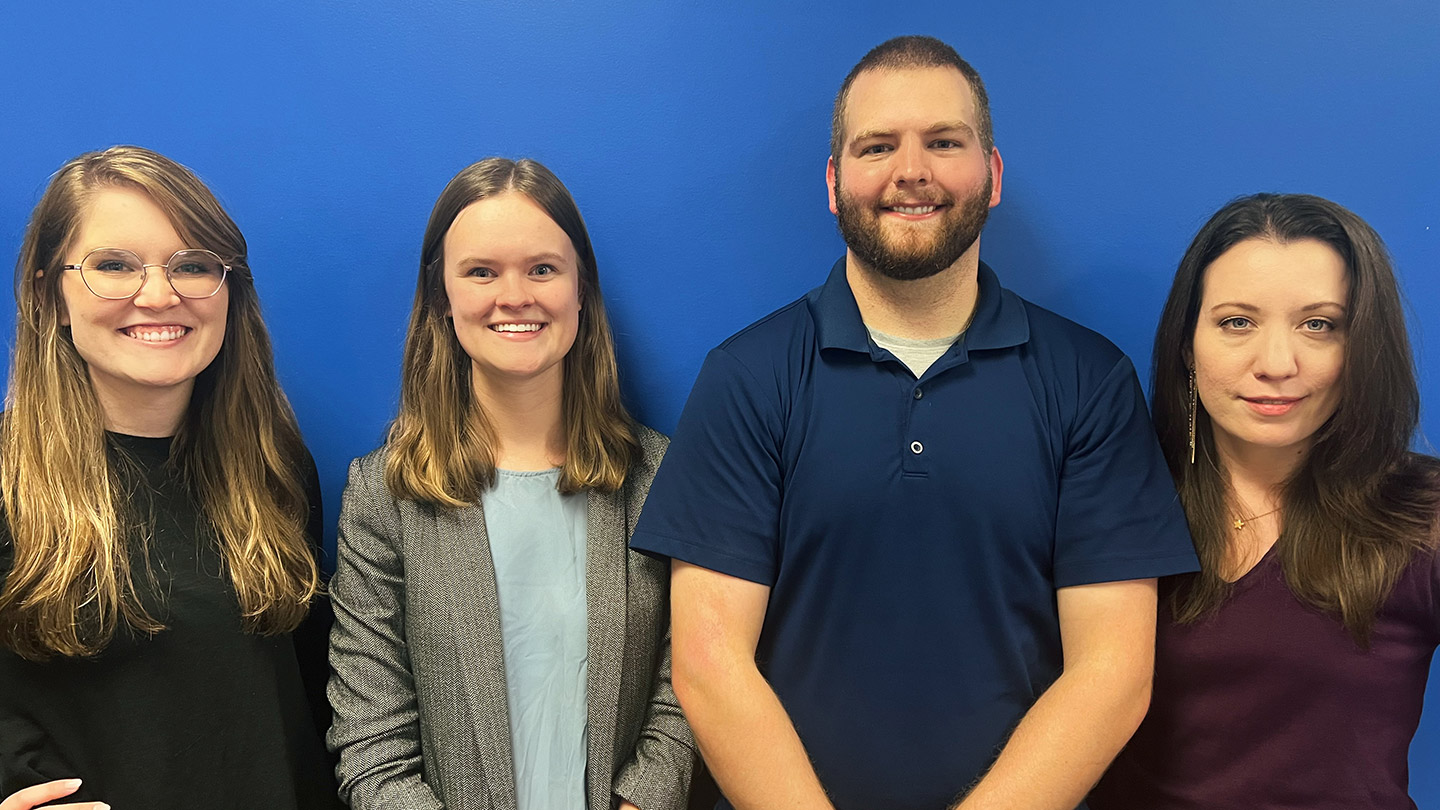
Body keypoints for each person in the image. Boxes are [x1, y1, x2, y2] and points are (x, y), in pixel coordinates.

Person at [629, 35, 1199, 810]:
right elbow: (708, 662)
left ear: (991, 176)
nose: (911, 171)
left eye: (943, 142)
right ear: (835, 183)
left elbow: (1112, 672)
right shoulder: (748, 377)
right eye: (877, 146)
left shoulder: (1089, 381)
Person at [326, 157, 696, 810]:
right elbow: (370, 738)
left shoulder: (657, 477)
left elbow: (687, 689)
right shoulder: (383, 499)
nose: (515, 296)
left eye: (542, 269)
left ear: (580, 288)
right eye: (481, 272)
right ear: (442, 296)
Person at [0, 146, 340, 810]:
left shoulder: (275, 469)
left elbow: (308, 697)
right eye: (113, 266)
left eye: (192, 266)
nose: (159, 294)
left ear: (228, 290)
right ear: (50, 296)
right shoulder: (8, 477)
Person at [1089, 193, 1440, 809]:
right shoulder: (1111, 495)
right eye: (1236, 322)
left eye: (1319, 324)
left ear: (1364, 346)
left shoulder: (1425, 513)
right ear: (1187, 348)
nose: (1277, 363)